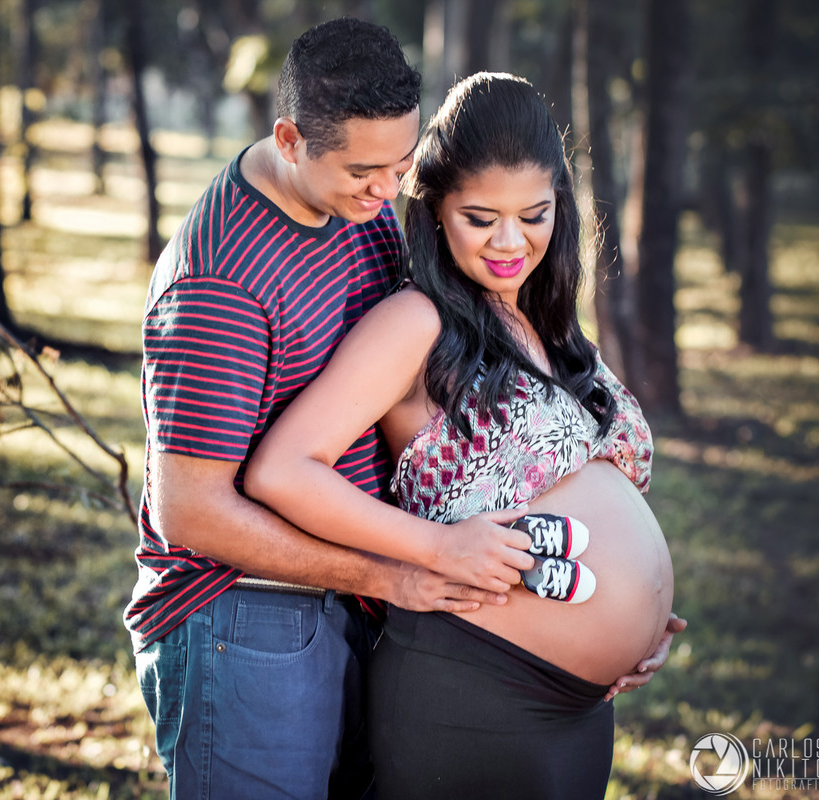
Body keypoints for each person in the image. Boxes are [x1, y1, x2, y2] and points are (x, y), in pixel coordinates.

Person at [125, 20, 541, 800]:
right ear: (289, 137)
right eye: (364, 170)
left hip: (359, 595)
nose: (389, 191)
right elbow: (190, 512)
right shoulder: (219, 281)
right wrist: (392, 572)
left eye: (401, 164)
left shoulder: (362, 207)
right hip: (242, 620)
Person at [246, 72, 686, 799]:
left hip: (579, 709)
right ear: (437, 211)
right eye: (481, 217)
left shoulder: (547, 322)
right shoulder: (417, 322)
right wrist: (438, 548)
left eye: (534, 214)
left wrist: (644, 621)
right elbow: (282, 471)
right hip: (474, 691)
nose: (510, 241)